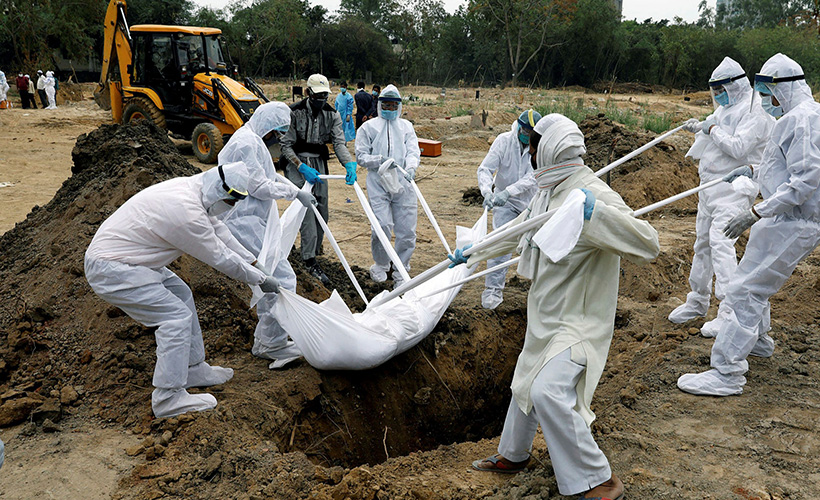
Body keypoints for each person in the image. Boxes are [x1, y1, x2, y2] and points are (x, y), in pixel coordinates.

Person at [453, 114, 659, 499]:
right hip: (546, 312)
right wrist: (473, 252)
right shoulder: (548, 191)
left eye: (533, 147)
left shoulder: (590, 193)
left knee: (547, 390)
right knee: (525, 378)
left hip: (577, 320)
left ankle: (599, 480)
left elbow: (648, 242)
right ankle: (513, 454)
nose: (529, 154)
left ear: (549, 149)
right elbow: (518, 231)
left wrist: (597, 214)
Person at [85, 162, 282, 418]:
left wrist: (254, 263)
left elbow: (220, 231)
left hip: (135, 262)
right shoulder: (186, 213)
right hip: (112, 268)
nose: (231, 206)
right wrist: (259, 279)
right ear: (219, 191)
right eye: (231, 201)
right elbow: (219, 256)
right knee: (174, 318)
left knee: (181, 294)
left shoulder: (197, 190)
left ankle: (192, 369)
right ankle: (168, 397)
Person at [678, 53, 820, 396]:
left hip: (794, 221)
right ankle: (759, 340)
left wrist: (756, 212)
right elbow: (784, 168)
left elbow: (805, 181)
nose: (766, 101)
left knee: (745, 289)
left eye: (769, 93)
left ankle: (727, 372)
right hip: (783, 217)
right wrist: (754, 171)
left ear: (784, 89)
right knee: (753, 281)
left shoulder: (802, 120)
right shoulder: (797, 117)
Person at [668, 57, 775, 327]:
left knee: (721, 244)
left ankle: (729, 311)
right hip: (709, 188)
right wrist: (700, 126)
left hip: (733, 189)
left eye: (720, 90)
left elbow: (738, 147)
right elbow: (714, 124)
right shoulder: (727, 108)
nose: (717, 95)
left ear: (734, 85)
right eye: (714, 90)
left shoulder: (754, 111)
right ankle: (697, 300)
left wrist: (712, 129)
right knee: (702, 244)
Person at [217, 101, 317, 364]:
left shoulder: (251, 140)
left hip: (251, 220)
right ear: (267, 125)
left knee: (273, 277)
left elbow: (266, 176)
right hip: (243, 222)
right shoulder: (246, 143)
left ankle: (269, 340)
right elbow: (259, 186)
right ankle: (270, 343)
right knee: (281, 279)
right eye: (277, 131)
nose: (277, 137)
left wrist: (295, 186)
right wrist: (295, 193)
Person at [281, 73, 357, 284]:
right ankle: (309, 260)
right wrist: (300, 166)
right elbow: (285, 145)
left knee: (322, 209)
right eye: (317, 95)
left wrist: (348, 163)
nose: (321, 99)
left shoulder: (332, 115)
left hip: (319, 164)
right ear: (308, 93)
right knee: (307, 208)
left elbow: (339, 143)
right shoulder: (294, 112)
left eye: (325, 96)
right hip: (297, 163)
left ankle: (315, 247)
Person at [355, 84, 421, 288]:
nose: (390, 109)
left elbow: (413, 151)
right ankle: (381, 264)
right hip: (378, 182)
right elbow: (361, 156)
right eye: (386, 105)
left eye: (394, 105)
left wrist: (411, 167)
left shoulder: (406, 127)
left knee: (407, 229)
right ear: (380, 105)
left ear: (399, 106)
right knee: (381, 225)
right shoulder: (369, 127)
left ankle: (401, 268)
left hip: (403, 181)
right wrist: (379, 160)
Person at [476, 109, 541, 309]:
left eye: (531, 133)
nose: (527, 135)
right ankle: (493, 290)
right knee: (500, 244)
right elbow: (485, 169)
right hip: (505, 204)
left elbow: (533, 177)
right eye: (525, 131)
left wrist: (508, 191)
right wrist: (487, 191)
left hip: (532, 203)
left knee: (538, 246)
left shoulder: (540, 146)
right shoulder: (503, 141)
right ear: (518, 127)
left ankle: (541, 291)